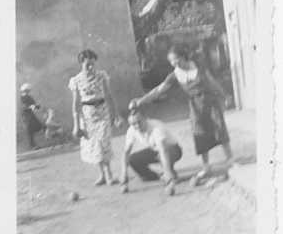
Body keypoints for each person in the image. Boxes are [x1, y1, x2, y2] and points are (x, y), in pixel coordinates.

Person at [130, 44, 233, 185]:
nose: (174, 63)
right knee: (200, 134)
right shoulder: (175, 75)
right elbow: (159, 90)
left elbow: (212, 83)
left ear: (183, 57)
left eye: (176, 59)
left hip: (210, 102)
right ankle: (206, 166)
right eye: (171, 61)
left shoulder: (199, 67)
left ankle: (230, 159)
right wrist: (141, 100)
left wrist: (225, 96)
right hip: (195, 106)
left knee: (219, 129)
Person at [69, 49, 122, 186]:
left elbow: (109, 95)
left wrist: (116, 115)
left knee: (103, 142)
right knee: (93, 145)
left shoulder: (101, 76)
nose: (91, 67)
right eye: (88, 65)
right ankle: (102, 175)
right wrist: (76, 125)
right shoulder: (76, 80)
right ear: (81, 64)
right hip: (87, 116)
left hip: (103, 112)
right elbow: (75, 104)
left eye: (93, 64)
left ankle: (109, 174)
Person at [120, 109, 182, 195]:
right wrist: (124, 174)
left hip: (173, 149)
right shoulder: (131, 130)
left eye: (139, 122)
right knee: (132, 159)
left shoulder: (156, 127)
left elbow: (163, 150)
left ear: (145, 118)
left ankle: (170, 174)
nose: (137, 126)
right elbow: (126, 152)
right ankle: (158, 176)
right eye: (134, 124)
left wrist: (167, 172)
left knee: (162, 157)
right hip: (154, 150)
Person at [20, 83, 45, 149]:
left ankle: (34, 144)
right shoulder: (23, 97)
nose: (27, 91)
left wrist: (36, 106)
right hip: (26, 115)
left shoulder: (28, 97)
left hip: (30, 114)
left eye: (27, 90)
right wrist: (34, 106)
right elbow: (26, 106)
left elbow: (33, 105)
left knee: (39, 126)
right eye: (26, 90)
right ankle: (32, 145)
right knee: (30, 129)